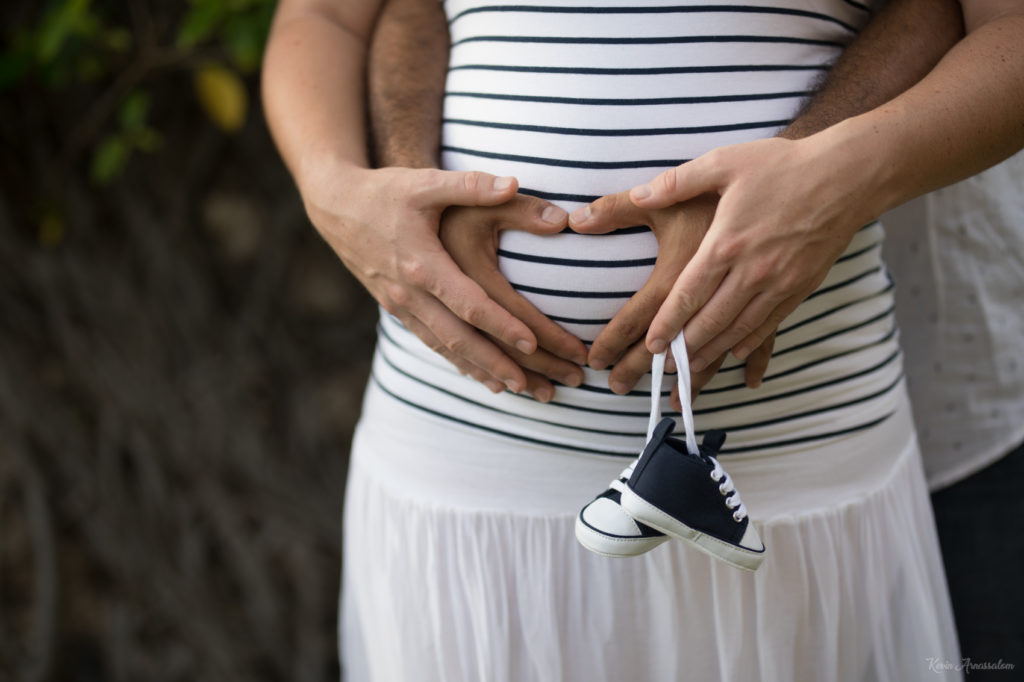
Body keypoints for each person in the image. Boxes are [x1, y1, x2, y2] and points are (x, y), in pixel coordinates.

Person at [261, 0, 1020, 680]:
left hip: (797, 474)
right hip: (464, 473)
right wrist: (332, 190)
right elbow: (326, 16)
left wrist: (836, 179)